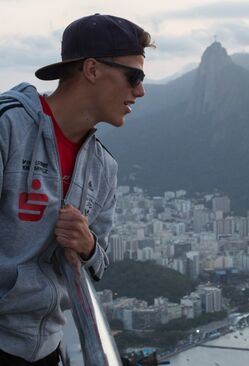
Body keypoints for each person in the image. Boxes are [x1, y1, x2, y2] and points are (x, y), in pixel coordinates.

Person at [0, 13, 153, 365]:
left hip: (46, 349)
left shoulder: (103, 168)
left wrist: (87, 245)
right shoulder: (9, 127)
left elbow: (99, 263)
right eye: (135, 76)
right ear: (92, 69)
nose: (140, 91)